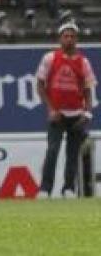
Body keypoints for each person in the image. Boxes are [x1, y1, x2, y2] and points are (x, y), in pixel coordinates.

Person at [36, 21, 96, 198]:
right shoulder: (50, 58)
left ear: (76, 39)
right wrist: (50, 109)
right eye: (65, 36)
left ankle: (68, 188)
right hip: (57, 114)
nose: (69, 39)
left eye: (72, 36)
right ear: (60, 39)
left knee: (72, 153)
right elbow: (40, 85)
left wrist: (87, 112)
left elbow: (88, 89)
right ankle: (45, 189)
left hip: (76, 113)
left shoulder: (83, 62)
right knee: (52, 150)